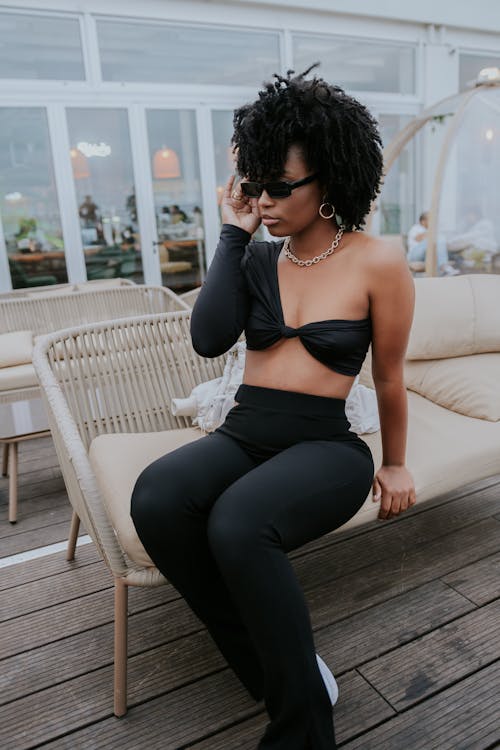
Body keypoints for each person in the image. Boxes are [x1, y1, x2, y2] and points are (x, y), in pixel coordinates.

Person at [130, 65, 416, 750]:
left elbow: (390, 378)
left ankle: (302, 730)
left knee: (238, 522)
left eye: (279, 186)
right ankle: (281, 670)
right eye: (254, 183)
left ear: (329, 182)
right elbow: (208, 339)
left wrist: (398, 464)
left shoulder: (378, 261)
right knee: (159, 496)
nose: (264, 198)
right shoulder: (258, 258)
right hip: (246, 432)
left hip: (326, 446)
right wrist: (234, 232)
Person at [407, 211, 459, 275]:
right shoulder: (416, 228)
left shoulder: (431, 230)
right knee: (438, 238)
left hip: (426, 255)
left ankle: (443, 270)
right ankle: (444, 266)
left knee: (440, 239)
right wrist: (433, 232)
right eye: (430, 219)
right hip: (414, 255)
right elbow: (418, 239)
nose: (433, 221)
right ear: (423, 221)